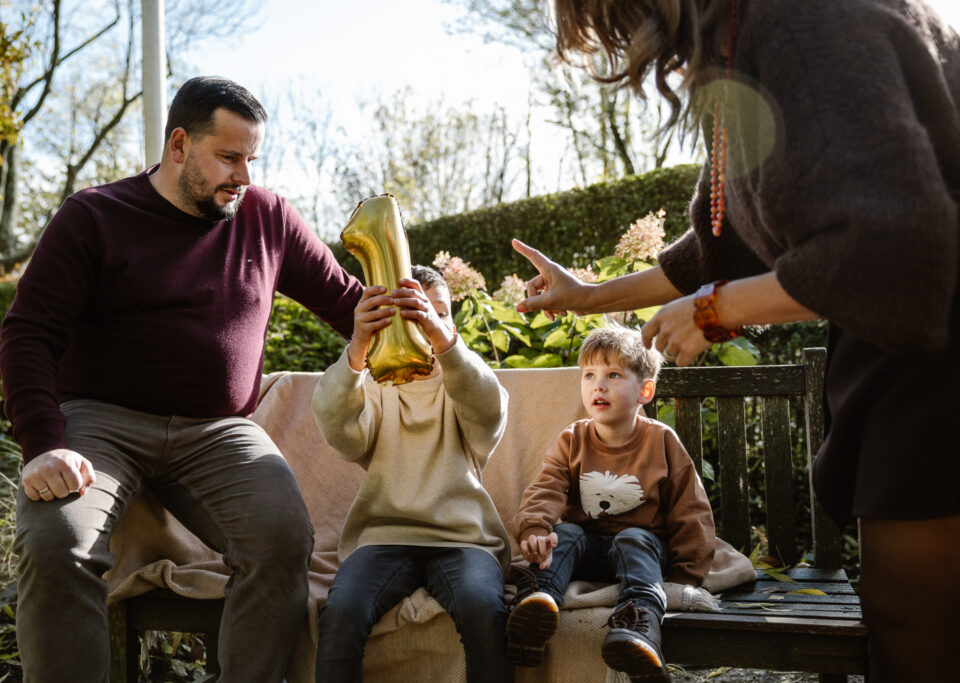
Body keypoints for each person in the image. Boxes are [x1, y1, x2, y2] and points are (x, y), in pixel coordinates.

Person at [510, 1, 960, 680]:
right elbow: (720, 243)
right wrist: (590, 295)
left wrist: (717, 311)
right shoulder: (742, 41)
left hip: (937, 354)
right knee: (904, 624)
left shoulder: (802, 24)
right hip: (897, 346)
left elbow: (892, 245)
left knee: (921, 632)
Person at [0, 76, 363, 682]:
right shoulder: (94, 215)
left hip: (219, 432)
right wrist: (43, 446)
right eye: (228, 156)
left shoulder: (267, 218)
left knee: (282, 540)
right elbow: (28, 333)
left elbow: (347, 304)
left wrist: (415, 320)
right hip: (100, 425)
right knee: (55, 543)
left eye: (251, 158)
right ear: (177, 145)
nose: (243, 175)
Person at [311, 265, 513, 682]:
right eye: (415, 313)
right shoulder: (375, 386)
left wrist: (442, 340)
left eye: (440, 313)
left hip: (464, 540)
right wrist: (358, 346)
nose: (427, 321)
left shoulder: (465, 381)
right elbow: (342, 433)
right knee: (342, 613)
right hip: (383, 538)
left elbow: (488, 410)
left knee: (482, 608)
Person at [506, 324, 713, 682]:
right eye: (589, 375)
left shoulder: (662, 441)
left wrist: (683, 578)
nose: (598, 385)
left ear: (644, 391)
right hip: (583, 552)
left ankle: (638, 628)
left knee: (635, 538)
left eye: (613, 375)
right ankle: (535, 608)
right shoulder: (573, 438)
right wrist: (537, 528)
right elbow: (547, 487)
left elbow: (690, 508)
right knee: (565, 533)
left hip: (639, 552)